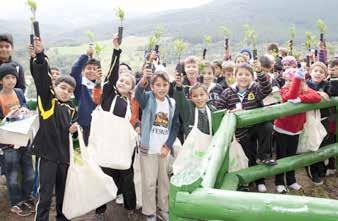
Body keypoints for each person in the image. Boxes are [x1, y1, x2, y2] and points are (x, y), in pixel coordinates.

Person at [30, 37, 78, 221]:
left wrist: (73, 130)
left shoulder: (71, 108)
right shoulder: (48, 104)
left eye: (69, 90)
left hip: (64, 158)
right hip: (48, 157)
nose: (65, 92)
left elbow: (69, 133)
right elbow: (42, 81)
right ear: (55, 87)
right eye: (62, 88)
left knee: (63, 195)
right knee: (45, 196)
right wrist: (40, 56)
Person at [92, 34, 137, 220]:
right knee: (102, 179)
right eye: (121, 80)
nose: (123, 83)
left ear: (131, 88)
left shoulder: (129, 103)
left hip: (122, 148)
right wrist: (116, 50)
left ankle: (130, 208)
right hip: (105, 147)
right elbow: (111, 74)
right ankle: (100, 211)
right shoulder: (108, 94)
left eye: (127, 82)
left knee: (127, 179)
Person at [216, 63, 275, 192]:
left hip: (256, 127)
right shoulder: (228, 92)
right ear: (235, 76)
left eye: (247, 74)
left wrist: (260, 72)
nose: (243, 77)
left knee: (268, 126)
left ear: (252, 77)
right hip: (241, 132)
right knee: (249, 156)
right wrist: (228, 112)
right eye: (240, 74)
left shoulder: (255, 89)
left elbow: (267, 89)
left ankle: (264, 157)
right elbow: (218, 109)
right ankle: (250, 181)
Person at [135, 70, 179, 221]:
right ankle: (150, 212)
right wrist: (143, 81)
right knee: (149, 182)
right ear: (152, 87)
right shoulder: (147, 99)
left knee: (164, 181)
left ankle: (164, 209)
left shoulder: (171, 103)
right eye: (158, 85)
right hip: (149, 149)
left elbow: (175, 126)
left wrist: (168, 145)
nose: (162, 88)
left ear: (169, 86)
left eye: (165, 85)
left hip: (163, 150)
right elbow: (137, 94)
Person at [274, 68, 321, 193]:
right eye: (289, 80)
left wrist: (301, 99)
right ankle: (279, 182)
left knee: (292, 156)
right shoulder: (284, 89)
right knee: (281, 156)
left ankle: (291, 180)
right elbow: (290, 96)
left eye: (295, 80)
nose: (292, 82)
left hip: (296, 130)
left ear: (303, 81)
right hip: (282, 129)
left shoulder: (305, 89)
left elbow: (316, 96)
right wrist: (296, 80)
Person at [0, 63, 34, 217]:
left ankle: (26, 198)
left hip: (23, 138)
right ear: (1, 80)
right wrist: (9, 116)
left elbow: (25, 105)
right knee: (12, 176)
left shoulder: (19, 92)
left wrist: (24, 109)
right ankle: (15, 203)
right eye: (7, 77)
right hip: (8, 143)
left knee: (29, 173)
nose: (11, 80)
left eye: (13, 77)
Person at [70, 47, 101, 145]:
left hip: (101, 123)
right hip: (85, 124)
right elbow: (74, 72)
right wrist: (85, 56)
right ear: (83, 71)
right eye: (88, 68)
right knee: (88, 153)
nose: (91, 71)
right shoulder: (80, 84)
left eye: (94, 69)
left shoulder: (102, 85)